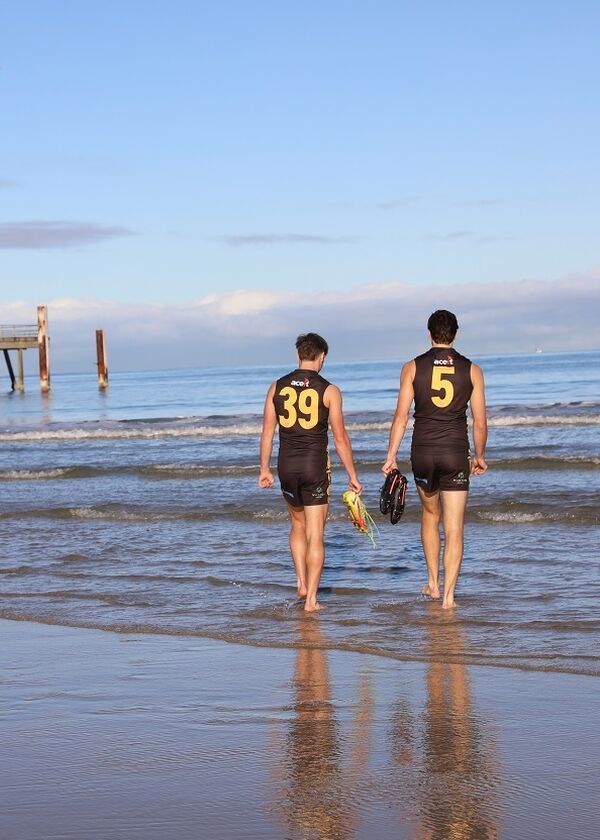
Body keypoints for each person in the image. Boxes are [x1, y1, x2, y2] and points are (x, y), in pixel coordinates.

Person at [382, 310, 488, 609]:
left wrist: (391, 456)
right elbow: (479, 422)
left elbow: (401, 416)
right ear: (455, 333)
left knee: (430, 515)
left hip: (423, 452)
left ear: (429, 333)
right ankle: (449, 598)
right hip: (455, 452)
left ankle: (432, 583)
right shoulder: (473, 370)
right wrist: (479, 456)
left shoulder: (412, 367)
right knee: (454, 526)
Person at [259, 333, 362, 612]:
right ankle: (312, 601)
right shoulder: (329, 390)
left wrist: (264, 469)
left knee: (297, 525)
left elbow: (268, 432)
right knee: (316, 534)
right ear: (322, 357)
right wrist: (352, 475)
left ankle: (301, 583)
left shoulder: (276, 387)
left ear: (298, 355)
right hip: (314, 465)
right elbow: (340, 437)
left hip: (286, 466)